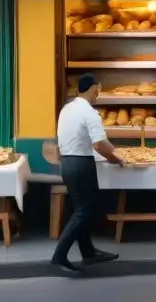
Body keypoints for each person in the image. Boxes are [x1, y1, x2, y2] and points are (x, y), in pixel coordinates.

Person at [51, 74, 124, 275]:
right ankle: (59, 255)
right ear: (94, 88)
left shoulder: (67, 109)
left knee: (81, 208)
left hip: (66, 163)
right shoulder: (89, 113)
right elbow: (100, 144)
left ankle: (89, 253)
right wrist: (115, 157)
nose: (98, 93)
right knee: (85, 210)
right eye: (99, 89)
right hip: (81, 165)